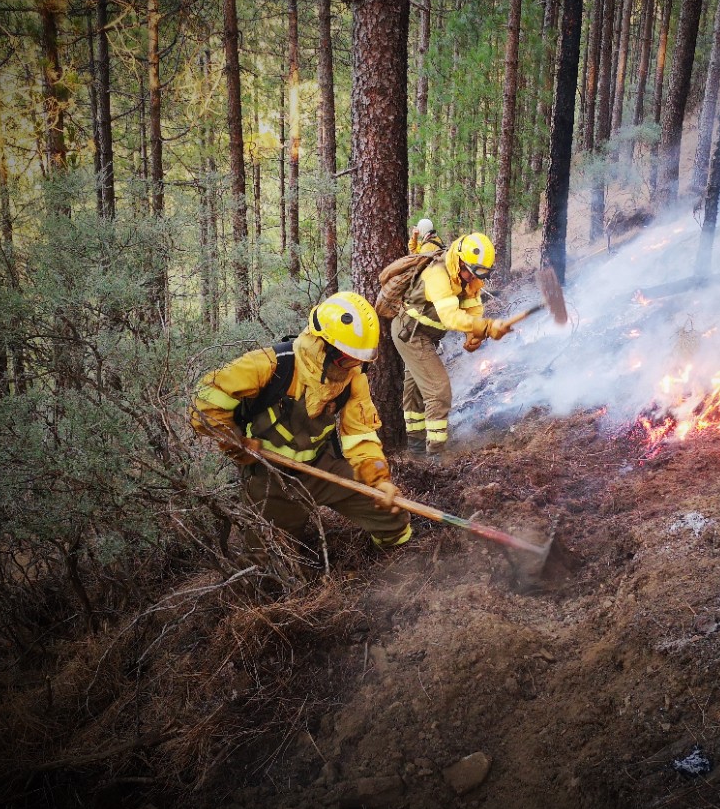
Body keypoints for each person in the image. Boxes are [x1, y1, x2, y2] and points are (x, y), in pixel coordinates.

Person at [191, 292, 411, 562]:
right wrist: (233, 442)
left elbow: (361, 434)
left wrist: (379, 480)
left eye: (360, 360)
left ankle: (394, 561)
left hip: (322, 466)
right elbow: (204, 400)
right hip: (271, 476)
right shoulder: (270, 365)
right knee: (269, 560)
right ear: (323, 346)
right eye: (347, 359)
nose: (354, 367)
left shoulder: (353, 378)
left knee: (392, 515)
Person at [392, 232, 510, 459]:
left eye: (476, 274)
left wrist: (472, 335)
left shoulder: (467, 276)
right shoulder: (438, 274)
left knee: (416, 389)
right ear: (459, 260)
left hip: (426, 336)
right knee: (438, 390)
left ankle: (415, 447)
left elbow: (473, 308)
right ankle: (436, 455)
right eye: (468, 271)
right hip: (411, 334)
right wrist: (485, 327)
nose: (469, 278)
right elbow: (450, 317)